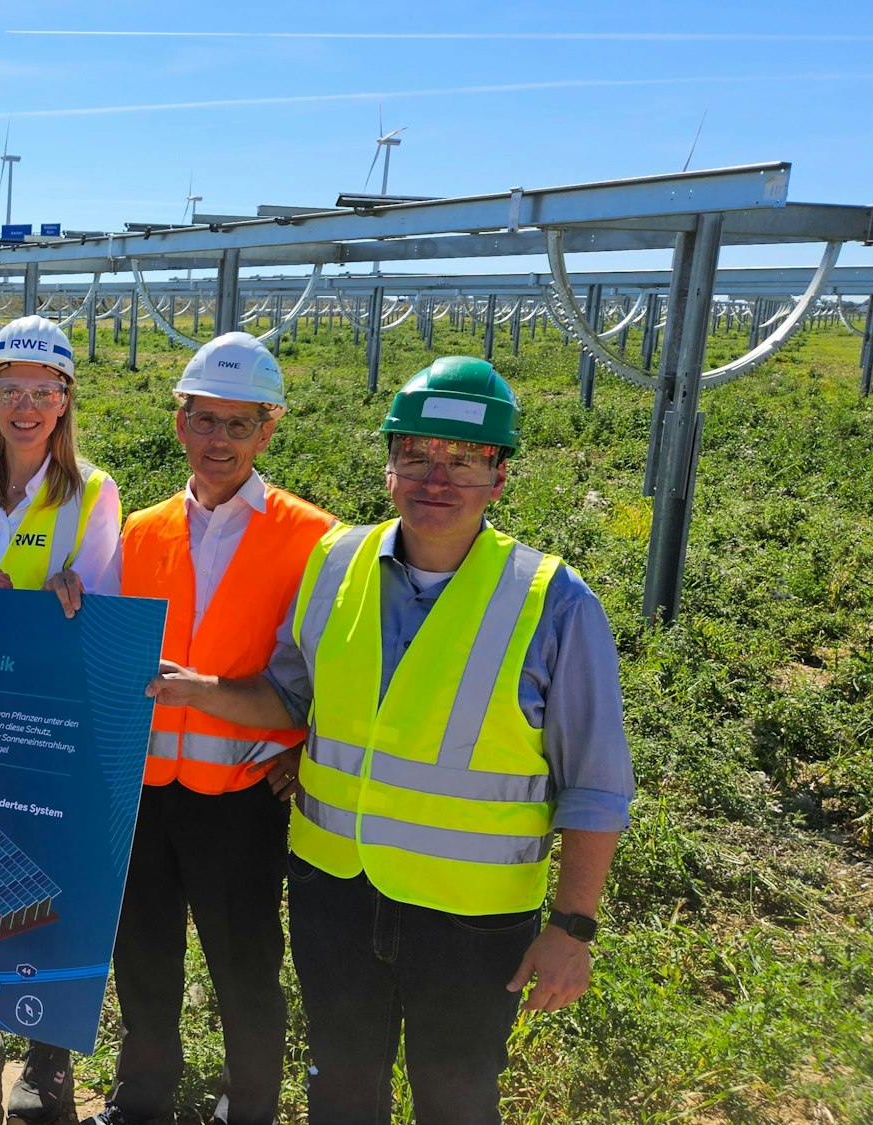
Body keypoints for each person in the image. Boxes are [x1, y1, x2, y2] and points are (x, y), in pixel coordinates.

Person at [148, 357, 635, 1125]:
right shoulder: (335, 564)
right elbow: (289, 696)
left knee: (456, 1095)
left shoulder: (553, 602)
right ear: (389, 466)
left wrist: (572, 927)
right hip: (334, 894)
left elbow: (597, 786)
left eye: (464, 460)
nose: (435, 478)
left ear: (500, 476)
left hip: (471, 916)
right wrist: (197, 691)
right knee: (340, 1087)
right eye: (417, 455)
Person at [87, 333, 336, 1125]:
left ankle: (251, 1108)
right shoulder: (142, 530)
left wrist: (308, 756)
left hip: (242, 798)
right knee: (145, 958)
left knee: (246, 968)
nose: (219, 439)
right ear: (179, 422)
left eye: (239, 423)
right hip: (148, 791)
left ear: (269, 429)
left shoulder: (314, 538)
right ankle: (142, 1099)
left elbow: (329, 674)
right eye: (204, 419)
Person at [0, 314, 123, 1125]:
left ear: (67, 400)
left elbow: (101, 619)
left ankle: (47, 1056)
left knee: (46, 885)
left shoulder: (94, 494)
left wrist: (40, 606)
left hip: (48, 729)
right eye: (11, 390)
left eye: (44, 392)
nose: (27, 406)